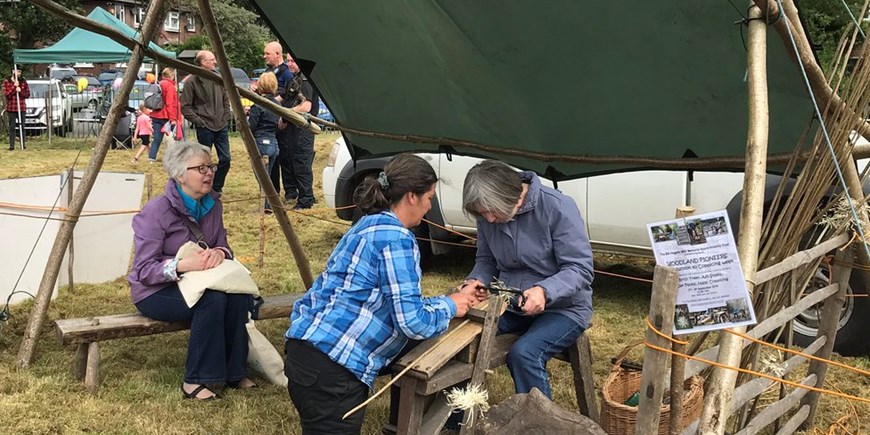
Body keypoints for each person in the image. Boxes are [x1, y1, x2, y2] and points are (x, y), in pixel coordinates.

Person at [284, 153, 477, 433]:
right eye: (429, 197)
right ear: (411, 196)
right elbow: (411, 321)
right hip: (335, 370)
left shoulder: (367, 223)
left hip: (305, 352)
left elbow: (393, 303)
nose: (429, 206)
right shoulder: (398, 239)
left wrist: (447, 301)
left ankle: (400, 424)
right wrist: (449, 306)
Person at [128, 140, 256, 401]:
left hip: (200, 280)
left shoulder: (213, 204)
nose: (209, 173)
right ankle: (196, 380)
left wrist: (219, 253)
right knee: (212, 300)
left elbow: (222, 244)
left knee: (238, 296)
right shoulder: (156, 211)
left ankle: (234, 371)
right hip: (156, 291)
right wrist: (183, 265)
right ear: (179, 175)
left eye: (211, 166)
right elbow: (144, 270)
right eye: (200, 168)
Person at [458, 160, 594, 399]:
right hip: (509, 304)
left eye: (491, 211)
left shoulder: (558, 207)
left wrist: (544, 291)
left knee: (524, 354)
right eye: (482, 213)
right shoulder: (487, 213)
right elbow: (486, 260)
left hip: (564, 308)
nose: (488, 219)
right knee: (462, 339)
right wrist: (475, 281)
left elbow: (580, 269)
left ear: (513, 196)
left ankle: (538, 422)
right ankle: (457, 419)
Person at [180, 50, 232, 195]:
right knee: (204, 162)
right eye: (212, 59)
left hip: (221, 125)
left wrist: (226, 117)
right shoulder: (192, 81)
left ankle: (216, 187)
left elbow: (226, 100)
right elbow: (185, 107)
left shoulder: (218, 78)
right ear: (203, 62)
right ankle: (203, 187)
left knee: (226, 159)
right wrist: (199, 122)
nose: (215, 62)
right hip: (205, 128)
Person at [281, 54, 320, 210]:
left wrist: (286, 113)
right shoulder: (296, 78)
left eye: (292, 61)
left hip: (302, 130)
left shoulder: (304, 81)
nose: (289, 64)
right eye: (288, 61)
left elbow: (306, 107)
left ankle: (306, 200)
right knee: (296, 163)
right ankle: (305, 194)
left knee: (301, 164)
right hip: (295, 129)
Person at [247, 72, 281, 212]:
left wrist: (246, 115)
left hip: (260, 143)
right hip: (273, 143)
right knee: (269, 177)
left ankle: (266, 206)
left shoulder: (258, 105)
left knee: (262, 178)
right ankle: (272, 204)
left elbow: (251, 126)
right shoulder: (277, 104)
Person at [148, 67, 181, 162]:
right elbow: (169, 103)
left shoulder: (159, 84)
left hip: (156, 114)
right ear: (171, 75)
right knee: (174, 137)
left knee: (157, 139)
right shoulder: (170, 86)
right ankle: (174, 158)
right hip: (166, 116)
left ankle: (152, 158)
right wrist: (173, 118)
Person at [3, 68, 30, 150]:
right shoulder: (7, 81)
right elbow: (7, 95)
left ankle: (23, 144)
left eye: (20, 72)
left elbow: (27, 94)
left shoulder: (23, 82)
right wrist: (14, 88)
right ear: (13, 71)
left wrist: (20, 90)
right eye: (17, 71)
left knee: (22, 127)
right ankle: (12, 146)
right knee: (12, 127)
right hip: (11, 108)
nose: (18, 73)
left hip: (21, 108)